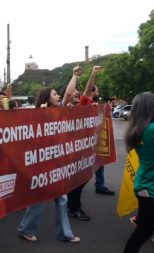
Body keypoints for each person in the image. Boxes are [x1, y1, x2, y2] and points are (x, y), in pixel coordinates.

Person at [17, 87, 80, 243]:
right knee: (40, 198)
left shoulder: (59, 111)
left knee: (62, 199)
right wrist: (41, 115)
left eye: (57, 94)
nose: (58, 96)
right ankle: (26, 229)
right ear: (47, 98)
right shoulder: (36, 113)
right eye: (54, 94)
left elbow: (68, 93)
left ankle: (64, 233)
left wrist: (74, 75)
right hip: (42, 164)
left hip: (57, 162)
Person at [123, 92, 154, 252]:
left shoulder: (137, 130)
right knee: (145, 230)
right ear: (151, 108)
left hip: (143, 186)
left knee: (143, 231)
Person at [79, 66, 115, 196]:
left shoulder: (91, 104)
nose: (98, 92)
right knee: (84, 166)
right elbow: (88, 87)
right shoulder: (84, 101)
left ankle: (99, 185)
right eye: (97, 90)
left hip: (92, 138)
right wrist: (93, 73)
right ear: (92, 92)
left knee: (99, 160)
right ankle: (74, 191)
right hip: (84, 140)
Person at [64, 65, 91, 221]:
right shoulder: (64, 109)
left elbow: (86, 91)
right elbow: (68, 93)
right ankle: (75, 208)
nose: (76, 94)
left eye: (77, 94)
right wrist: (75, 75)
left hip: (81, 150)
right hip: (68, 152)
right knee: (76, 181)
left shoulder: (81, 107)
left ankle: (71, 203)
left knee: (81, 179)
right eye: (74, 93)